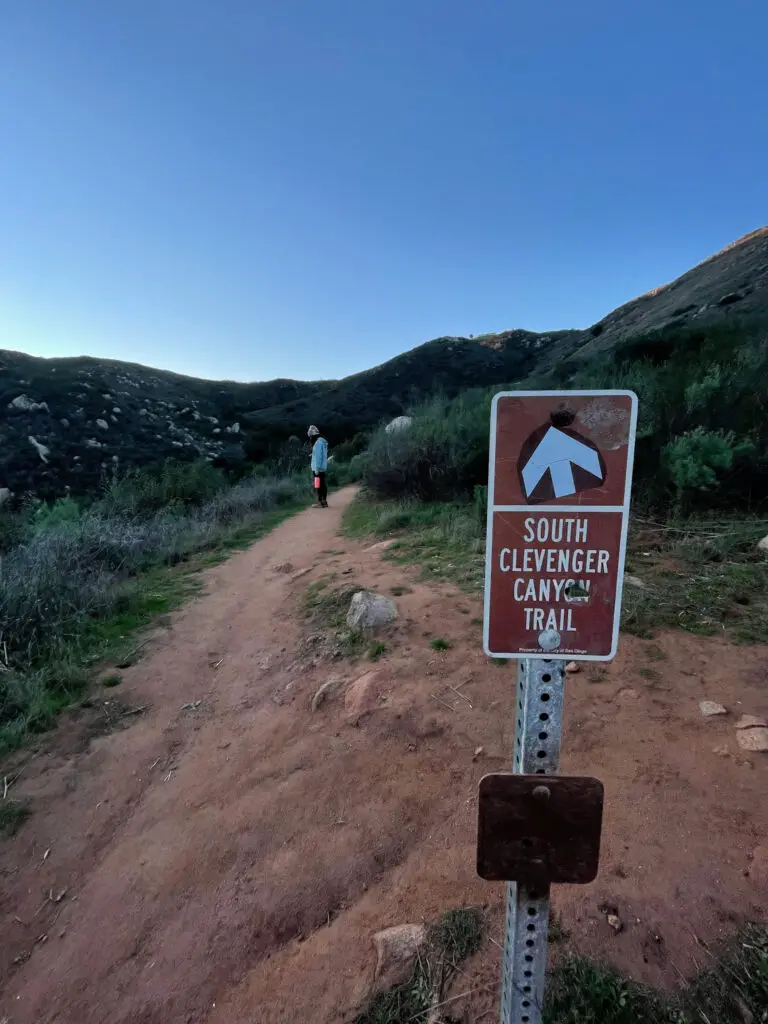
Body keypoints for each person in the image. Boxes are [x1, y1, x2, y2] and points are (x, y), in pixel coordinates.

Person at [308, 425, 329, 507]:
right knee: (323, 483)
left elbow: (318, 456)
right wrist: (312, 454)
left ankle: (320, 501)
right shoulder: (322, 441)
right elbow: (321, 454)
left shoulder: (317, 442)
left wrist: (316, 468)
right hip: (322, 467)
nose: (310, 438)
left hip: (317, 468)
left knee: (318, 484)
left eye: (310, 436)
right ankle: (324, 501)